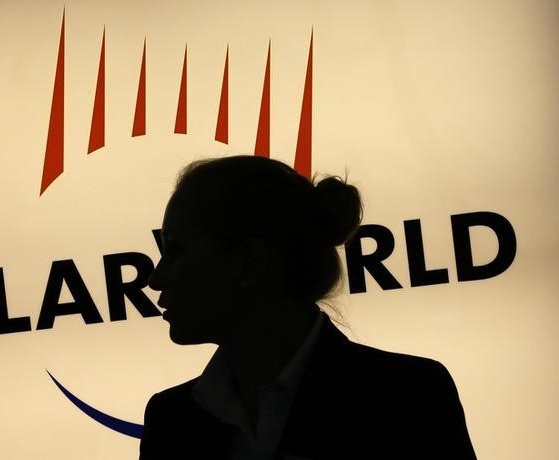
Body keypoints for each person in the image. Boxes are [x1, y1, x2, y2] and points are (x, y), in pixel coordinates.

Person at [140, 155, 476, 460]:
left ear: (249, 261)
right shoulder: (170, 420)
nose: (156, 278)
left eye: (176, 250)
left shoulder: (410, 400)